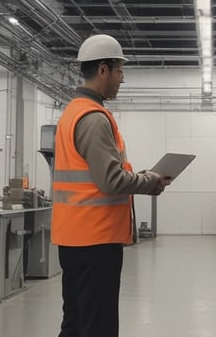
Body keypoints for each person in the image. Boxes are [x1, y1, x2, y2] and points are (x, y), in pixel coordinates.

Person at [51, 34, 171, 337]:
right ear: (103, 69)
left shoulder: (73, 112)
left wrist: (141, 175)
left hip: (75, 237)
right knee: (98, 327)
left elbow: (96, 176)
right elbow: (111, 180)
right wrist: (150, 182)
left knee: (75, 324)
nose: (121, 79)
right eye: (119, 71)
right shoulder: (94, 118)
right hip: (96, 240)